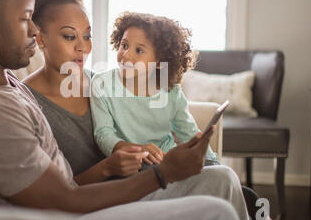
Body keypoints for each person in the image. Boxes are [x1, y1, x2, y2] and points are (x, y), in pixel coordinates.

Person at [0, 0, 246, 220]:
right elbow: (60, 201)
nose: (34, 31)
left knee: (222, 179)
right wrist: (163, 174)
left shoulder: (4, 82)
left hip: (86, 204)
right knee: (217, 210)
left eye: (86, 36)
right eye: (25, 20)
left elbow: (68, 184)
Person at [24, 0, 281, 220]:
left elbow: (147, 101)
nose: (83, 48)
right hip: (101, 203)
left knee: (229, 182)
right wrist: (107, 168)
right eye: (70, 36)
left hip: (140, 183)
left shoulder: (100, 81)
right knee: (228, 187)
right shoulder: (28, 104)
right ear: (40, 38)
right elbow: (52, 194)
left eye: (88, 36)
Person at [90, 11, 218, 167]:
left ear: (159, 61)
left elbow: (189, 133)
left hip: (168, 163)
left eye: (139, 50)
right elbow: (103, 134)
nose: (126, 55)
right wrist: (138, 151)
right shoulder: (101, 84)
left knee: (224, 176)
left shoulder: (172, 93)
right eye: (124, 45)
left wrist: (213, 163)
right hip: (131, 168)